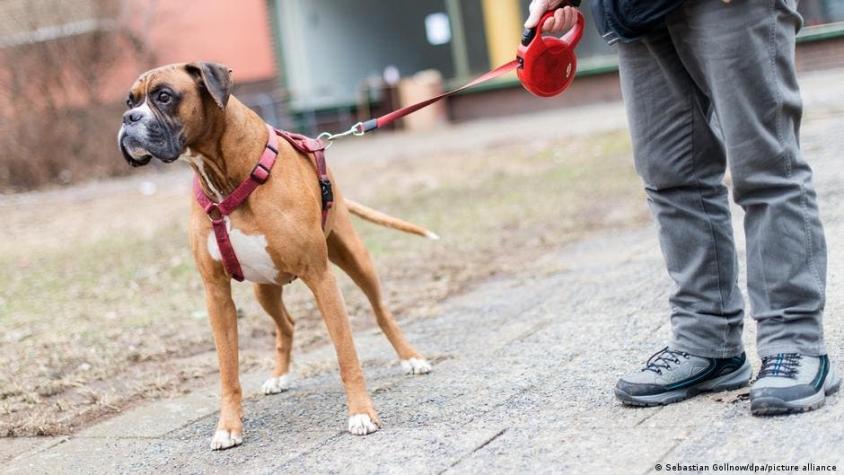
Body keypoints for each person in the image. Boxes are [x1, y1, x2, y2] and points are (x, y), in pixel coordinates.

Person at [525, 0, 839, 414]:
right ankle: (707, 342)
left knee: (764, 165)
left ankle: (793, 340)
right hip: (634, 9)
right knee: (670, 174)